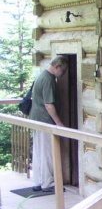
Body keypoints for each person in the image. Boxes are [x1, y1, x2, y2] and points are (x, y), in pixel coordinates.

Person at [29, 55, 68, 192]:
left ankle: (38, 181)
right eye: (63, 70)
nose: (63, 74)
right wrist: (58, 123)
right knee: (47, 152)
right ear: (57, 66)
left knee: (39, 151)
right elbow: (48, 104)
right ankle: (48, 183)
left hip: (36, 119)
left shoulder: (42, 76)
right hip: (45, 121)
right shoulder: (48, 80)